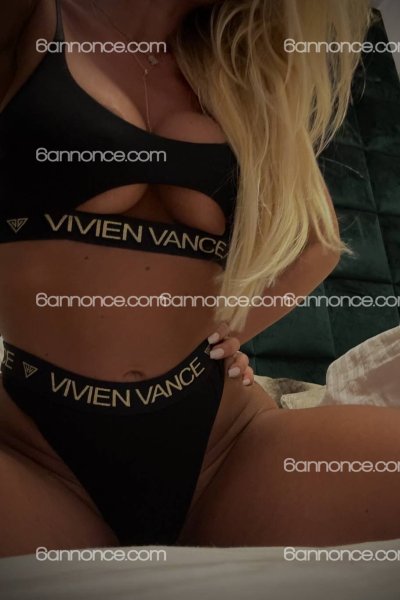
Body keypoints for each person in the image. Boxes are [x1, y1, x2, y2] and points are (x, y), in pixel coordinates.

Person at [0, 0, 399, 558]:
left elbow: (318, 243)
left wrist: (230, 330)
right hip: (36, 447)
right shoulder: (30, 18)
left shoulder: (240, 70)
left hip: (224, 444)